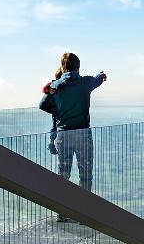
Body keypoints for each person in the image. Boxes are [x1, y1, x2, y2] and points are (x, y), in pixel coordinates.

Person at [40, 52, 107, 219]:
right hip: (83, 134)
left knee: (63, 174)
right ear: (78, 66)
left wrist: (57, 109)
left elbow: (42, 104)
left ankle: (61, 212)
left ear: (63, 67)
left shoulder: (55, 86)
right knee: (86, 174)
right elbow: (98, 79)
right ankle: (84, 213)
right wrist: (102, 75)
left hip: (63, 135)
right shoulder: (86, 82)